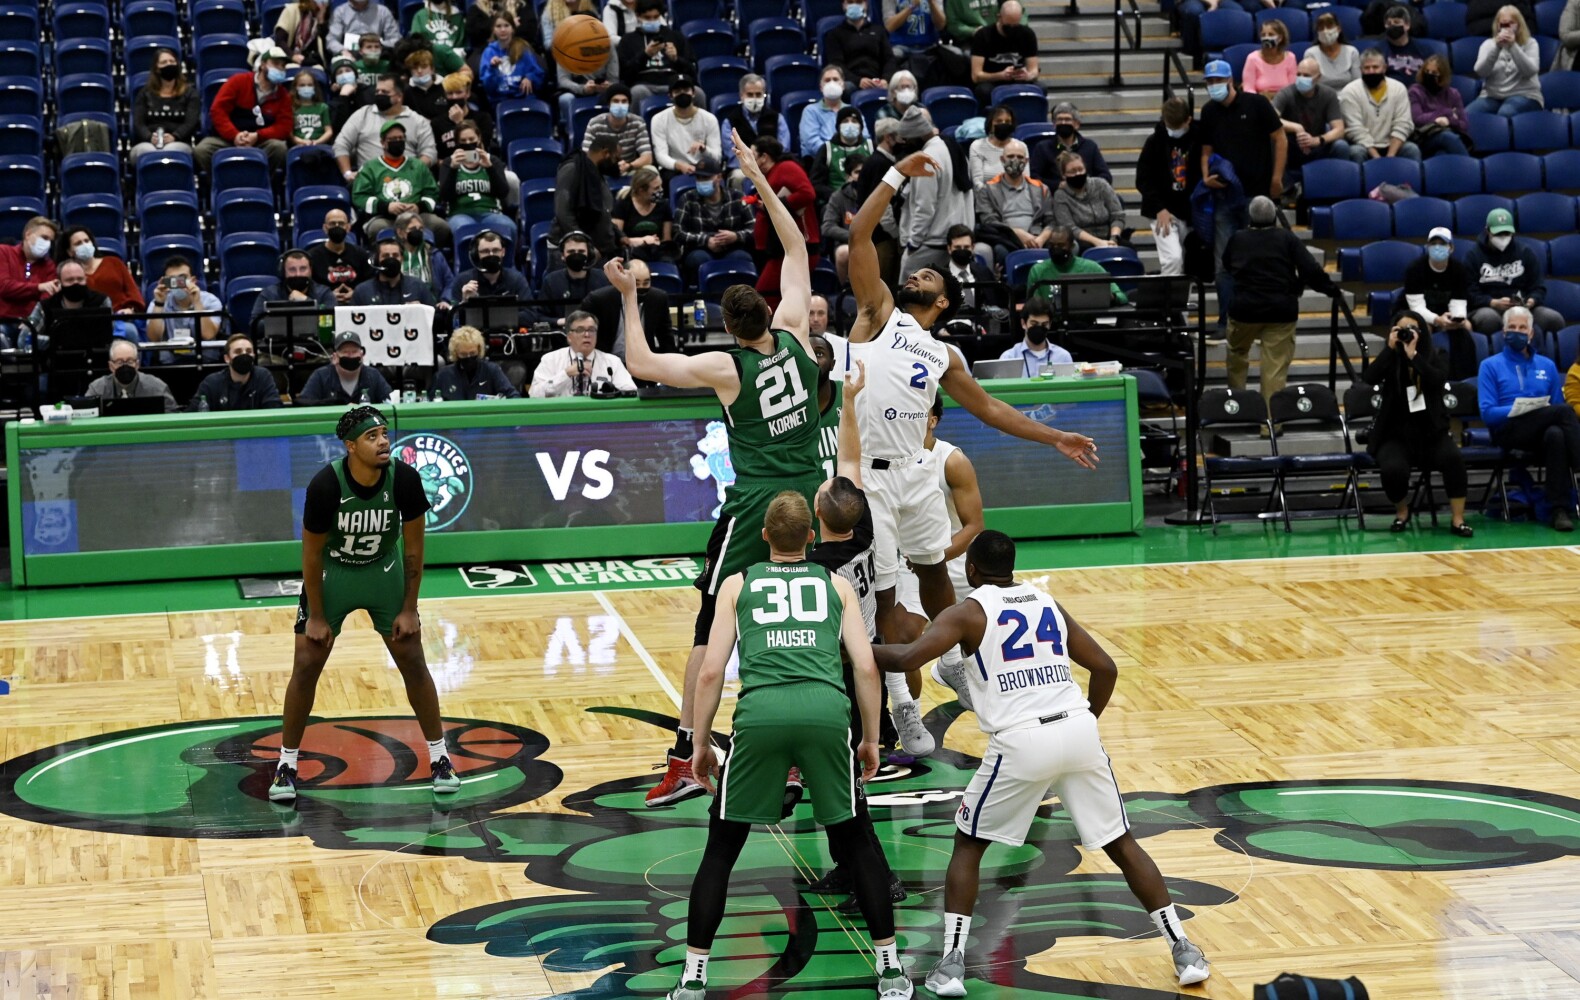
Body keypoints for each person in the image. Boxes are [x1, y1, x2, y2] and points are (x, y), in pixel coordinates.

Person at [872, 530, 1213, 995]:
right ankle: (1185, 950)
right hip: (1076, 729)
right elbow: (1107, 668)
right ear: (1012, 565)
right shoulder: (1047, 602)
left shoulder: (969, 612)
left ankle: (950, 965)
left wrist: (848, 649)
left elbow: (908, 656)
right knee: (1121, 842)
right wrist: (1087, 719)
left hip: (1021, 741)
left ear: (971, 569)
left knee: (969, 844)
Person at [845, 149, 1098, 759]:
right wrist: (896, 176)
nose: (923, 275)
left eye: (931, 277)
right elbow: (859, 231)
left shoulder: (942, 356)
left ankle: (957, 661)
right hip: (868, 479)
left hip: (913, 474)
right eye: (920, 272)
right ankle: (904, 710)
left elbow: (990, 411)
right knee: (884, 599)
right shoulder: (878, 314)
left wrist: (1054, 436)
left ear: (944, 303)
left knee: (936, 579)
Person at [620, 131, 825, 807]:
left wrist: (628, 296)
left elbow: (644, 366)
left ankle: (687, 757)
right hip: (811, 499)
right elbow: (796, 247)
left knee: (713, 631)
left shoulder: (726, 369)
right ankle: (804, 755)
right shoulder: (797, 332)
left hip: (755, 510)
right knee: (805, 625)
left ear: (726, 325)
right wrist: (757, 180)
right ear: (768, 311)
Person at [671, 491, 913, 1000]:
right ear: (810, 536)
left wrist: (698, 741)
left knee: (721, 849)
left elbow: (712, 670)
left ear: (764, 535)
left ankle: (693, 979)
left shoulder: (738, 584)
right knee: (856, 842)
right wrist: (870, 738)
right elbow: (866, 667)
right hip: (826, 711)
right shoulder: (836, 584)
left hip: (761, 715)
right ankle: (891, 969)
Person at [270, 405, 456, 804]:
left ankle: (440, 758)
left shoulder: (404, 480)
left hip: (383, 571)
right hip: (333, 574)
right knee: (305, 664)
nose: (384, 442)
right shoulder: (326, 486)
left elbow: (414, 551)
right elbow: (311, 556)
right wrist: (316, 616)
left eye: (385, 434)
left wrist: (409, 608)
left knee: (412, 658)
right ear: (350, 446)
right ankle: (286, 765)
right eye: (372, 437)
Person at [1360, 310, 1473, 535]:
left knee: (1454, 459)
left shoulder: (1436, 354)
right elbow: (1368, 378)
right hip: (1395, 433)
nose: (1407, 334)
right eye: (1401, 330)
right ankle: (1402, 513)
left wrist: (1414, 357)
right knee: (1392, 469)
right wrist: (1390, 349)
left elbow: (1436, 379)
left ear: (1422, 333)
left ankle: (1457, 519)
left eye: (1413, 329)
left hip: (1431, 431)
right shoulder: (1390, 358)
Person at [1222, 196, 1336, 405]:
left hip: (1245, 309)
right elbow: (1310, 269)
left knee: (1237, 353)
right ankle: (1271, 421)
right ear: (1275, 216)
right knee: (1274, 367)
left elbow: (1227, 265)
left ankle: (1236, 406)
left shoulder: (1238, 238)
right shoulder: (1287, 238)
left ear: (1250, 217)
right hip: (1280, 310)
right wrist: (1330, 290)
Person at [1200, 58, 1286, 327]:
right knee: (1223, 264)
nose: (1214, 86)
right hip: (1225, 197)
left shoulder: (1256, 104)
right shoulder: (1209, 111)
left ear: (1230, 80)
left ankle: (1261, 318)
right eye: (1209, 82)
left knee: (1259, 262)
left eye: (1218, 81)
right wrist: (1205, 177)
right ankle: (1227, 320)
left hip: (1256, 196)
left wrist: (1276, 177)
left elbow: (1280, 137)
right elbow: (1206, 150)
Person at [1479, 306, 1580, 530]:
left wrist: (1538, 411)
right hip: (1507, 430)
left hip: (1541, 431)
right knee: (1564, 412)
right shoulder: (1489, 366)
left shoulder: (1547, 365)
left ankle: (1558, 510)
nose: (1517, 331)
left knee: (1556, 434)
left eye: (1522, 327)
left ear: (1531, 333)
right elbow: (1487, 413)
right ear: (1503, 332)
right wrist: (1517, 409)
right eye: (1512, 327)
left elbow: (1553, 407)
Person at [893, 107, 970, 279]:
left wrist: (913, 243)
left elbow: (925, 206)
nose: (906, 144)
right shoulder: (952, 148)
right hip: (957, 238)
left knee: (910, 293)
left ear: (918, 135)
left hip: (930, 241)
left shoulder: (926, 159)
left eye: (908, 139)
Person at [194, 46, 294, 173]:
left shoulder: (283, 95)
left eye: (282, 66)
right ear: (263, 65)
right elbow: (218, 111)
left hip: (260, 141)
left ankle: (260, 182)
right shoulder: (239, 81)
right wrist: (235, 135)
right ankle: (221, 183)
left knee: (279, 148)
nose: (279, 69)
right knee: (202, 150)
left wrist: (258, 136)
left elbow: (284, 126)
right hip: (228, 138)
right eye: (275, 64)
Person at [1466, 208, 1564, 335]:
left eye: (1506, 233)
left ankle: (1536, 353)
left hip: (1522, 308)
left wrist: (1531, 301)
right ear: (1487, 231)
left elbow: (1539, 287)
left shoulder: (1525, 252)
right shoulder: (1473, 255)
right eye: (1498, 234)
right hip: (1488, 307)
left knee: (1553, 319)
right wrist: (1492, 302)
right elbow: (1469, 291)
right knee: (1488, 319)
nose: (1503, 238)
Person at [750, 137, 820, 309]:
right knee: (776, 295)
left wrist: (775, 205)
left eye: (752, 155)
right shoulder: (770, 174)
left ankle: (776, 334)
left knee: (765, 295)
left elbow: (807, 193)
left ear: (764, 157)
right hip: (779, 247)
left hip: (797, 245)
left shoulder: (786, 167)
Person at [352, 120, 447, 245]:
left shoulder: (418, 166)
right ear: (383, 143)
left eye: (400, 138)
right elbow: (359, 197)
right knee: (377, 229)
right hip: (384, 217)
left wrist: (419, 206)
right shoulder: (370, 168)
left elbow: (432, 193)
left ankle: (426, 256)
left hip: (417, 216)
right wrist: (387, 207)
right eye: (393, 139)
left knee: (441, 226)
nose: (398, 141)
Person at [1136, 98, 1201, 278]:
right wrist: (1159, 208)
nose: (1171, 129)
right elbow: (1142, 179)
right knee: (1172, 259)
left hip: (1190, 209)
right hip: (1161, 210)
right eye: (1168, 124)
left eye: (1176, 125)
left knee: (1188, 262)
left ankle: (1181, 304)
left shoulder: (1199, 139)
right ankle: (1169, 305)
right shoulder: (1154, 142)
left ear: (1188, 120)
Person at [1404, 226, 1478, 380]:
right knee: (1423, 328)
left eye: (1442, 244)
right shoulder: (1415, 269)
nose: (1437, 247)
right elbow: (1416, 308)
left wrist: (1456, 319)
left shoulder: (1458, 270)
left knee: (1465, 328)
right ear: (1427, 247)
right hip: (1417, 314)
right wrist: (1438, 320)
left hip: (1446, 314)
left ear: (1451, 248)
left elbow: (1458, 303)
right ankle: (1421, 376)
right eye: (1433, 243)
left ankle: (1461, 380)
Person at [335, 75, 438, 180]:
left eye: (385, 92)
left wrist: (412, 172)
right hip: (370, 181)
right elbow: (340, 144)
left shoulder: (418, 121)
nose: (379, 95)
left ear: (399, 97)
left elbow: (430, 153)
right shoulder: (363, 114)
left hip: (407, 181)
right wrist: (347, 173)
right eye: (377, 92)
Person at [677, 154, 755, 283]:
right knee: (698, 259)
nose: (701, 181)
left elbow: (753, 229)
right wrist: (706, 240)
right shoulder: (687, 199)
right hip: (700, 249)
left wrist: (736, 236)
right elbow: (678, 232)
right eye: (698, 177)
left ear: (719, 177)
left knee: (742, 258)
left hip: (733, 247)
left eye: (706, 177)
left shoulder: (737, 197)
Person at [1275, 58, 1350, 185]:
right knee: (1274, 143)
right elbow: (1271, 119)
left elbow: (1339, 129)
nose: (1301, 78)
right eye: (1298, 74)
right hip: (1292, 146)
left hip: (1317, 145)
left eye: (1306, 76)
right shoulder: (1286, 93)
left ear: (1318, 77)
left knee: (1341, 146)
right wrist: (1297, 128)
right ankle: (1285, 190)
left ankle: (1339, 188)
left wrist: (1318, 140)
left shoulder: (1328, 94)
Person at [439, 120, 517, 243]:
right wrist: (453, 169)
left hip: (490, 213)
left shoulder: (493, 161)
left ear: (479, 138)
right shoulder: (449, 162)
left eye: (471, 139)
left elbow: (503, 192)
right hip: (460, 214)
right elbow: (445, 196)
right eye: (463, 141)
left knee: (509, 227)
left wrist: (490, 168)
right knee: (463, 228)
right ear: (457, 143)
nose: (468, 143)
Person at [580, 258, 675, 358]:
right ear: (623, 279)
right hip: (607, 363)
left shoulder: (658, 299)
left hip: (644, 364)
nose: (641, 287)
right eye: (636, 283)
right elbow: (583, 336)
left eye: (646, 283)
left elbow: (666, 337)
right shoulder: (598, 300)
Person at [1340, 49, 1422, 163]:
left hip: (1392, 145)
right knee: (1356, 152)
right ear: (1360, 70)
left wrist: (1390, 156)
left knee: (1412, 149)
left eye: (1375, 67)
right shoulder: (1349, 92)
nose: (1371, 71)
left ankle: (1410, 181)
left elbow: (1403, 123)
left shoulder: (1399, 88)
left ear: (1384, 68)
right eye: (1366, 68)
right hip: (1364, 146)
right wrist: (1377, 159)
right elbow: (1355, 129)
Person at [528, 310, 636, 396]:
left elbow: (630, 391)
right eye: (580, 330)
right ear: (569, 337)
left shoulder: (612, 362)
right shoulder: (551, 360)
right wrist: (566, 374)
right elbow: (535, 394)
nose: (587, 335)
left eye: (591, 330)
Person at [449, 229, 536, 329]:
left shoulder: (517, 279)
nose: (491, 255)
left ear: (503, 252)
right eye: (485, 251)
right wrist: (464, 303)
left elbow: (531, 316)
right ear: (476, 254)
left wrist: (490, 318)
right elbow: (453, 321)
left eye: (495, 250)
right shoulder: (462, 280)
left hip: (509, 336)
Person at [616, 0, 698, 105]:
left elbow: (692, 70)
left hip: (674, 83)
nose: (652, 21)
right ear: (638, 16)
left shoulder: (676, 36)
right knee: (637, 92)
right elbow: (625, 76)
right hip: (644, 84)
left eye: (656, 17)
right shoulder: (628, 40)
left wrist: (676, 59)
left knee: (698, 93)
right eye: (647, 17)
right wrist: (645, 55)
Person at [555, 134, 622, 261]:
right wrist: (585, 244)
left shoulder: (596, 174)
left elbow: (602, 213)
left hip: (598, 251)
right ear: (606, 153)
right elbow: (563, 213)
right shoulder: (572, 169)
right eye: (616, 158)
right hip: (576, 253)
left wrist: (620, 235)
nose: (617, 164)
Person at [131, 47, 202, 164]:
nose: (169, 64)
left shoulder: (190, 93)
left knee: (172, 151)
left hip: (179, 142)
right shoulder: (145, 93)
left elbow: (191, 122)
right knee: (146, 151)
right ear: (157, 69)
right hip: (149, 142)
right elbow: (138, 123)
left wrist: (175, 136)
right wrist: (149, 137)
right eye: (164, 62)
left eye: (172, 61)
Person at [1024, 226, 1128, 305]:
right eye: (1052, 245)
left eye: (1061, 245)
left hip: (1085, 325)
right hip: (1052, 326)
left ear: (1071, 246)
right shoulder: (1038, 271)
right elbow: (1033, 306)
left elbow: (1122, 297)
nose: (1056, 249)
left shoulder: (1091, 268)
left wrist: (1111, 297)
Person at [1469, 6, 1544, 116]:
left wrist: (1513, 46)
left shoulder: (1530, 43)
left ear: (1519, 25)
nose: (1507, 28)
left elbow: (1530, 71)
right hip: (1492, 96)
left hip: (1525, 94)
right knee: (1467, 115)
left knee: (1505, 113)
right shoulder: (1488, 45)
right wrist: (1497, 48)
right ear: (1498, 26)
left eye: (1511, 23)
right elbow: (1480, 71)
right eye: (1503, 24)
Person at [719, 75, 791, 184]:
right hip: (743, 168)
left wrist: (767, 164)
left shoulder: (777, 118)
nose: (754, 99)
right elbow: (731, 153)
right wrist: (752, 166)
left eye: (758, 94)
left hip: (773, 166)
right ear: (741, 96)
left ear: (764, 95)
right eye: (750, 95)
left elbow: (783, 148)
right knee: (737, 176)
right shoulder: (730, 121)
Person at [1029, 103, 1114, 191]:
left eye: (1067, 119)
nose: (1063, 123)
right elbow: (1033, 177)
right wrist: (1057, 185)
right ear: (1054, 124)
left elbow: (1105, 175)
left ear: (1076, 124)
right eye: (1059, 119)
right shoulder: (1042, 148)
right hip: (1054, 197)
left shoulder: (1090, 146)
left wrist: (1086, 185)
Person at [58, 227, 143, 314]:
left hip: (121, 316)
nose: (84, 245)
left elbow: (133, 291)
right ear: (69, 251)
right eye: (78, 243)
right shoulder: (69, 274)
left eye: (87, 241)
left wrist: (131, 309)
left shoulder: (114, 262)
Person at [1051, 151, 1125, 250]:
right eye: (1072, 171)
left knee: (1129, 248)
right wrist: (1097, 242)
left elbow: (1117, 215)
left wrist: (1113, 239)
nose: (1078, 174)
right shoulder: (1060, 195)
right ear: (1064, 175)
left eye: (1080, 169)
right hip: (1082, 242)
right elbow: (1070, 228)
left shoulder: (1101, 184)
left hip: (1110, 236)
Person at [969, 0, 1038, 106]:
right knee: (983, 91)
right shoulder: (983, 36)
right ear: (999, 17)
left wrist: (1028, 75)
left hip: (1017, 81)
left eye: (1015, 26)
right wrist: (1000, 75)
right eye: (1008, 26)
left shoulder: (1027, 34)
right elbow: (976, 76)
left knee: (1040, 88)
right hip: (992, 81)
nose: (1012, 30)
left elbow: (1034, 70)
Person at [651, 76, 720, 181]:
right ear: (670, 96)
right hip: (674, 168)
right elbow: (660, 155)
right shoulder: (658, 119)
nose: (682, 93)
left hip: (703, 166)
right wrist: (679, 165)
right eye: (678, 91)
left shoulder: (709, 119)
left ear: (694, 93)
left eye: (686, 90)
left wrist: (704, 149)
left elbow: (717, 157)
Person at [189, 334, 283, 411]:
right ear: (227, 358)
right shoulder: (212, 383)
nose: (244, 355)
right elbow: (192, 414)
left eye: (248, 351)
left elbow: (274, 409)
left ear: (254, 356)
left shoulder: (263, 376)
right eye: (238, 352)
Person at [299, 331, 394, 404]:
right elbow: (304, 403)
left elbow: (390, 402)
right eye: (345, 352)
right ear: (335, 357)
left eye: (354, 352)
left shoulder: (373, 375)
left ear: (361, 356)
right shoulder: (320, 376)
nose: (350, 356)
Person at [85, 339, 180, 412]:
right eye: (120, 362)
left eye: (130, 361)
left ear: (137, 364)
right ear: (111, 366)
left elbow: (172, 415)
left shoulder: (157, 388)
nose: (125, 366)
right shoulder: (97, 389)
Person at [251, 250, 337, 331]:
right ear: (283, 272)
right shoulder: (270, 293)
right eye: (292, 270)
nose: (298, 274)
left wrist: (305, 300)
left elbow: (334, 320)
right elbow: (254, 324)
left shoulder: (324, 292)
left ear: (310, 270)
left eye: (303, 269)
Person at [145, 256, 223, 346]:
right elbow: (154, 338)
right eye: (172, 280)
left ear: (193, 280)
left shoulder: (211, 301)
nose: (178, 284)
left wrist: (197, 303)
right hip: (171, 357)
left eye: (182, 278)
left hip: (205, 357)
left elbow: (208, 335)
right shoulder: (157, 303)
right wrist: (159, 304)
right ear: (166, 283)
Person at [583, 85, 653, 180]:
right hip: (600, 171)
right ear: (609, 104)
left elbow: (647, 157)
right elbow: (587, 155)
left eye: (624, 101)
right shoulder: (595, 123)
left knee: (651, 170)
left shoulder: (638, 122)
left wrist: (629, 166)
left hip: (629, 169)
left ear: (629, 104)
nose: (620, 105)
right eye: (616, 101)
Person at [1408, 54, 1472, 158]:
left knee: (1446, 149)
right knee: (1448, 137)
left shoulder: (1453, 94)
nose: (1429, 75)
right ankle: (1471, 169)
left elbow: (1464, 125)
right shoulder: (1415, 91)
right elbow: (1417, 119)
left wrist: (1449, 120)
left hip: (1449, 133)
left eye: (1434, 73)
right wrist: (1446, 113)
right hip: (1424, 138)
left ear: (1443, 76)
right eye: (1427, 71)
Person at [434, 324, 522, 399]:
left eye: (472, 353)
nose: (468, 358)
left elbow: (514, 396)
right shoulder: (443, 376)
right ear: (456, 353)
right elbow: (429, 403)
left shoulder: (491, 370)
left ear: (479, 350)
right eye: (463, 354)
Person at [825, 0, 896, 90]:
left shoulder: (879, 31)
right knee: (843, 88)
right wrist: (858, 81)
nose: (854, 5)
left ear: (866, 5)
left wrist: (886, 79)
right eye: (850, 2)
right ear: (843, 5)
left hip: (879, 80)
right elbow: (837, 64)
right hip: (851, 82)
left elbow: (889, 59)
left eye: (859, 2)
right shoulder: (834, 34)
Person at [556, 26, 619, 128]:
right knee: (565, 99)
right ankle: (572, 134)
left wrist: (608, 86)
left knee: (617, 96)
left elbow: (614, 79)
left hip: (602, 91)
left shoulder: (608, 45)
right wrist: (582, 89)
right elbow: (563, 80)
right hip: (576, 90)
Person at [307, 210, 373, 305]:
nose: (337, 226)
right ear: (325, 228)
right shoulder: (313, 256)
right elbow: (311, 287)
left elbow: (370, 283)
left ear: (348, 227)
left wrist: (356, 294)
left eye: (341, 223)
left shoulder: (361, 254)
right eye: (332, 224)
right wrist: (328, 296)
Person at [540, 232, 611, 318]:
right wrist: (559, 322)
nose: (576, 255)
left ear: (589, 254)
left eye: (581, 251)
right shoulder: (551, 281)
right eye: (571, 251)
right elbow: (540, 315)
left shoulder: (603, 278)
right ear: (563, 255)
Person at [478, 12, 546, 101]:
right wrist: (492, 68)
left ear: (513, 29)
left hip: (524, 98)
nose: (503, 30)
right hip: (500, 100)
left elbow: (538, 73)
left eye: (506, 25)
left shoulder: (522, 48)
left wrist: (530, 77)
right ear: (493, 30)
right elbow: (488, 88)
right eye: (498, 26)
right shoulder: (489, 52)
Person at [811, 106, 874, 203]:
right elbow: (816, 183)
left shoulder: (871, 146)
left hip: (868, 199)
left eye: (854, 121)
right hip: (836, 201)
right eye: (845, 121)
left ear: (861, 126)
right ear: (838, 126)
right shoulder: (826, 149)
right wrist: (836, 197)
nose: (850, 124)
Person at [882, 0, 950, 88]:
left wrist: (932, 3)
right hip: (901, 46)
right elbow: (889, 26)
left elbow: (941, 25)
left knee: (953, 58)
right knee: (890, 59)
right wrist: (911, 7)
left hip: (929, 46)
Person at [802, 66, 864, 161]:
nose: (832, 83)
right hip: (822, 161)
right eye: (827, 80)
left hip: (853, 161)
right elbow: (812, 142)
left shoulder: (853, 111)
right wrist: (836, 155)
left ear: (843, 85)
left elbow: (864, 137)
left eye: (835, 79)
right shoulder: (810, 111)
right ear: (821, 87)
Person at [613, 166, 674, 262]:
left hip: (657, 251)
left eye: (661, 186)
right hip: (632, 251)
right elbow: (617, 238)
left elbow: (666, 239)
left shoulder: (663, 204)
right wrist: (642, 241)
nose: (661, 190)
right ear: (641, 190)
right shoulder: (623, 204)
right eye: (656, 188)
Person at [823, 154, 868, 286]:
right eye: (858, 172)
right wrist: (855, 236)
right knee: (843, 253)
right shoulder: (838, 197)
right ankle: (846, 291)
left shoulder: (875, 194)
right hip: (848, 243)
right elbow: (827, 226)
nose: (862, 176)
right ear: (849, 176)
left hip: (875, 242)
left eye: (865, 172)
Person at [353, 238, 437, 306]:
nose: (391, 259)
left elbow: (434, 317)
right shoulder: (362, 291)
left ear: (402, 259)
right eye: (386, 256)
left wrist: (420, 310)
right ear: (377, 260)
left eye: (395, 255)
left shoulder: (417, 286)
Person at [398, 211, 456, 308]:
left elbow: (450, 282)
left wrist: (445, 300)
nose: (417, 232)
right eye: (412, 229)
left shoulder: (434, 255)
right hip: (401, 307)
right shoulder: (394, 255)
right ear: (400, 233)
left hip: (431, 306)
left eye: (420, 229)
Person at [999, 295, 1072, 372]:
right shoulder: (1009, 358)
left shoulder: (1063, 357)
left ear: (1050, 324)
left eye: (1044, 324)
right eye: (1034, 324)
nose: (1039, 328)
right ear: (1023, 323)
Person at [944, 224, 1005, 314]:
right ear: (949, 249)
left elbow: (995, 304)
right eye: (957, 247)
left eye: (966, 247)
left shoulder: (983, 272)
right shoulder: (940, 277)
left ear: (972, 248)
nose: (962, 250)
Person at [1305, 11, 1361, 90]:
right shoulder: (1311, 54)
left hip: (1348, 97)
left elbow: (1358, 84)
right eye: (1321, 28)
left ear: (1338, 29)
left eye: (1329, 26)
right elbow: (1310, 86)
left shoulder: (1351, 52)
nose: (1325, 31)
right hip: (1322, 98)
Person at [290, 70, 335, 164]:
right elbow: (290, 134)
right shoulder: (291, 108)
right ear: (296, 88)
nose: (306, 88)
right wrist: (301, 142)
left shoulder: (323, 107)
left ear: (315, 87)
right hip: (298, 147)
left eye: (310, 85)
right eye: (302, 85)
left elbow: (329, 131)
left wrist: (317, 142)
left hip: (320, 146)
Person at [967, 105, 1016, 189]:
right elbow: (977, 182)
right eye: (999, 121)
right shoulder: (977, 146)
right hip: (986, 198)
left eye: (1007, 122)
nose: (1003, 125)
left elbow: (1024, 180)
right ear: (990, 124)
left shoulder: (1020, 147)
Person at [328, 0, 401, 57]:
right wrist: (343, 51)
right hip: (349, 56)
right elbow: (331, 41)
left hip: (378, 55)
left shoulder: (383, 11)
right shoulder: (340, 12)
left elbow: (395, 39)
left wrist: (377, 46)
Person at [1243, 19, 1296, 96]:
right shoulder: (1252, 58)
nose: (1266, 38)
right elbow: (1248, 89)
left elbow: (1292, 88)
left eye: (1271, 35)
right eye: (1263, 35)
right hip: (1260, 102)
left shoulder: (1291, 58)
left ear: (1280, 38)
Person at [411, 0, 467, 72]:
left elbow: (461, 44)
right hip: (429, 64)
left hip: (453, 62)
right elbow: (416, 44)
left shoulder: (457, 16)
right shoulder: (420, 16)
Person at [1382, 5, 1432, 85]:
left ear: (1407, 25)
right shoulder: (1378, 50)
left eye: (1396, 22)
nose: (1392, 26)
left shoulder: (1424, 49)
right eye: (1389, 23)